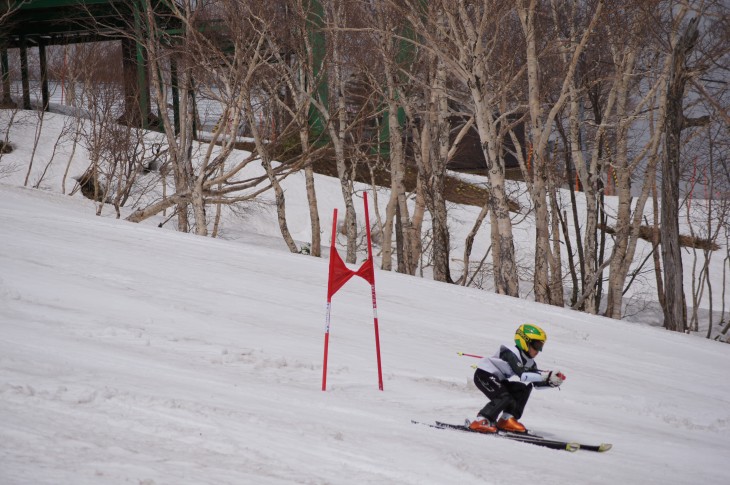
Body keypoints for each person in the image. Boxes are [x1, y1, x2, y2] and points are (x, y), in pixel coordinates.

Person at [469, 324, 565, 434]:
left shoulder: (530, 362)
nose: (538, 350)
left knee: (522, 389)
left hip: (498, 379)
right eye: (536, 345)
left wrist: (551, 382)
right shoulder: (511, 353)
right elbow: (523, 375)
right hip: (484, 375)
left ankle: (507, 419)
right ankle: (481, 420)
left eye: (541, 346)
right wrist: (545, 375)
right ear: (524, 341)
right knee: (504, 397)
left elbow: (536, 384)